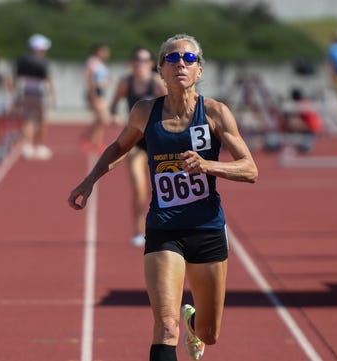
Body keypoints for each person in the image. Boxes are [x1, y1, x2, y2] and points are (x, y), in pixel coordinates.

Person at [68, 34, 258, 361]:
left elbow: (250, 169)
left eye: (188, 59)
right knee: (165, 326)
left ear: (199, 70)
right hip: (164, 229)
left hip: (207, 228)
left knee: (210, 333)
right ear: (160, 70)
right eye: (172, 59)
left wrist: (209, 165)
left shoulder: (214, 113)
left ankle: (193, 323)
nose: (180, 64)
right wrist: (89, 181)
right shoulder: (145, 112)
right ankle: (177, 324)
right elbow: (118, 147)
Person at [110, 47, 167, 247]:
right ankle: (138, 231)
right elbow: (114, 103)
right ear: (131, 63)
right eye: (136, 60)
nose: (140, 64)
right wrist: (114, 115)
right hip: (135, 140)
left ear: (151, 64)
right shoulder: (126, 83)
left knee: (158, 188)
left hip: (157, 141)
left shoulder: (157, 83)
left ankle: (161, 227)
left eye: (144, 60)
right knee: (138, 187)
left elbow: (175, 104)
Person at [14, 34, 54, 160]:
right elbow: (47, 79)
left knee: (27, 119)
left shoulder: (21, 59)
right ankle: (40, 146)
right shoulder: (43, 61)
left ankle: (27, 146)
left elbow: (16, 77)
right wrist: (53, 94)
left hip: (24, 89)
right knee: (41, 119)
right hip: (40, 91)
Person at [83, 43, 111, 154]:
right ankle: (90, 138)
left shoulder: (101, 64)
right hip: (95, 93)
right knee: (103, 119)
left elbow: (103, 78)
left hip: (101, 92)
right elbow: (89, 78)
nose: (106, 54)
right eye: (104, 51)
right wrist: (92, 93)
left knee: (102, 120)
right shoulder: (93, 62)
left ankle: (95, 141)